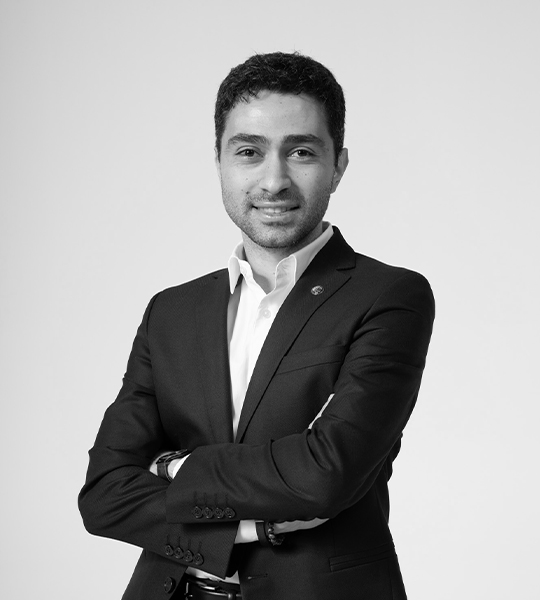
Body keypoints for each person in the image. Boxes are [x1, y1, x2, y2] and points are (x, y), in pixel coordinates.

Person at [79, 51, 435, 600]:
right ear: (220, 161)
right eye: (249, 151)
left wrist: (174, 468)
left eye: (301, 152)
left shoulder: (388, 297)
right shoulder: (171, 311)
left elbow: (325, 474)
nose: (274, 180)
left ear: (338, 165)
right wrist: (249, 528)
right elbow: (104, 493)